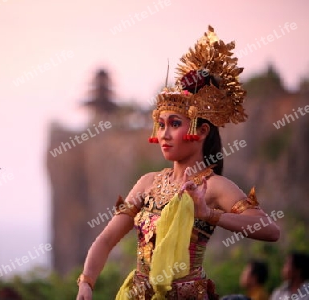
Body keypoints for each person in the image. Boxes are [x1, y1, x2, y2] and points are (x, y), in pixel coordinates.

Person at [75, 25, 280, 300]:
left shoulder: (214, 186)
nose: (164, 135)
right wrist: (86, 282)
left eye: (174, 124)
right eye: (160, 125)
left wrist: (210, 214)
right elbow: (106, 239)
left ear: (202, 131)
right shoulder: (147, 182)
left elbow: (270, 230)